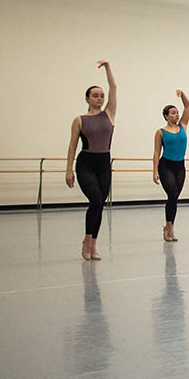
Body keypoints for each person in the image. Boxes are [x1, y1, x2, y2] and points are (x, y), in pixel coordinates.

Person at [66, 61, 116, 261]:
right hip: (86, 163)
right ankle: (87, 240)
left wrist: (107, 68)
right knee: (95, 200)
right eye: (95, 95)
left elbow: (114, 87)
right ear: (87, 98)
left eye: (102, 95)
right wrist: (68, 170)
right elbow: (72, 146)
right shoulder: (79, 119)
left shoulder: (109, 114)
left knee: (100, 204)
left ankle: (94, 244)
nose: (100, 98)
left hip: (104, 163)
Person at [152, 89, 189, 242]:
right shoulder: (160, 132)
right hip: (165, 166)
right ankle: (169, 228)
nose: (176, 115)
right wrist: (154, 171)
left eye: (177, 112)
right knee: (172, 194)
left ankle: (169, 227)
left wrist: (182, 95)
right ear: (166, 116)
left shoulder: (183, 126)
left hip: (180, 166)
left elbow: (188, 106)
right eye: (173, 113)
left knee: (174, 198)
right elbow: (156, 152)